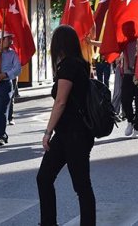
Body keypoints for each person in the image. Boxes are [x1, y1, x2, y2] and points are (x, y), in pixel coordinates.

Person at [37, 25, 95, 226]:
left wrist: (47, 132)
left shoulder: (68, 67)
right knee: (45, 178)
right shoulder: (81, 64)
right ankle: (48, 223)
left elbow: (60, 101)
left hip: (73, 134)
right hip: (72, 133)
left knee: (80, 185)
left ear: (59, 44)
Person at [120, 21, 138, 138]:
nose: (126, 32)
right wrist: (91, 42)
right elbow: (108, 45)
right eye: (124, 30)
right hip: (128, 75)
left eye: (128, 29)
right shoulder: (124, 43)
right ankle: (131, 120)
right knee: (125, 100)